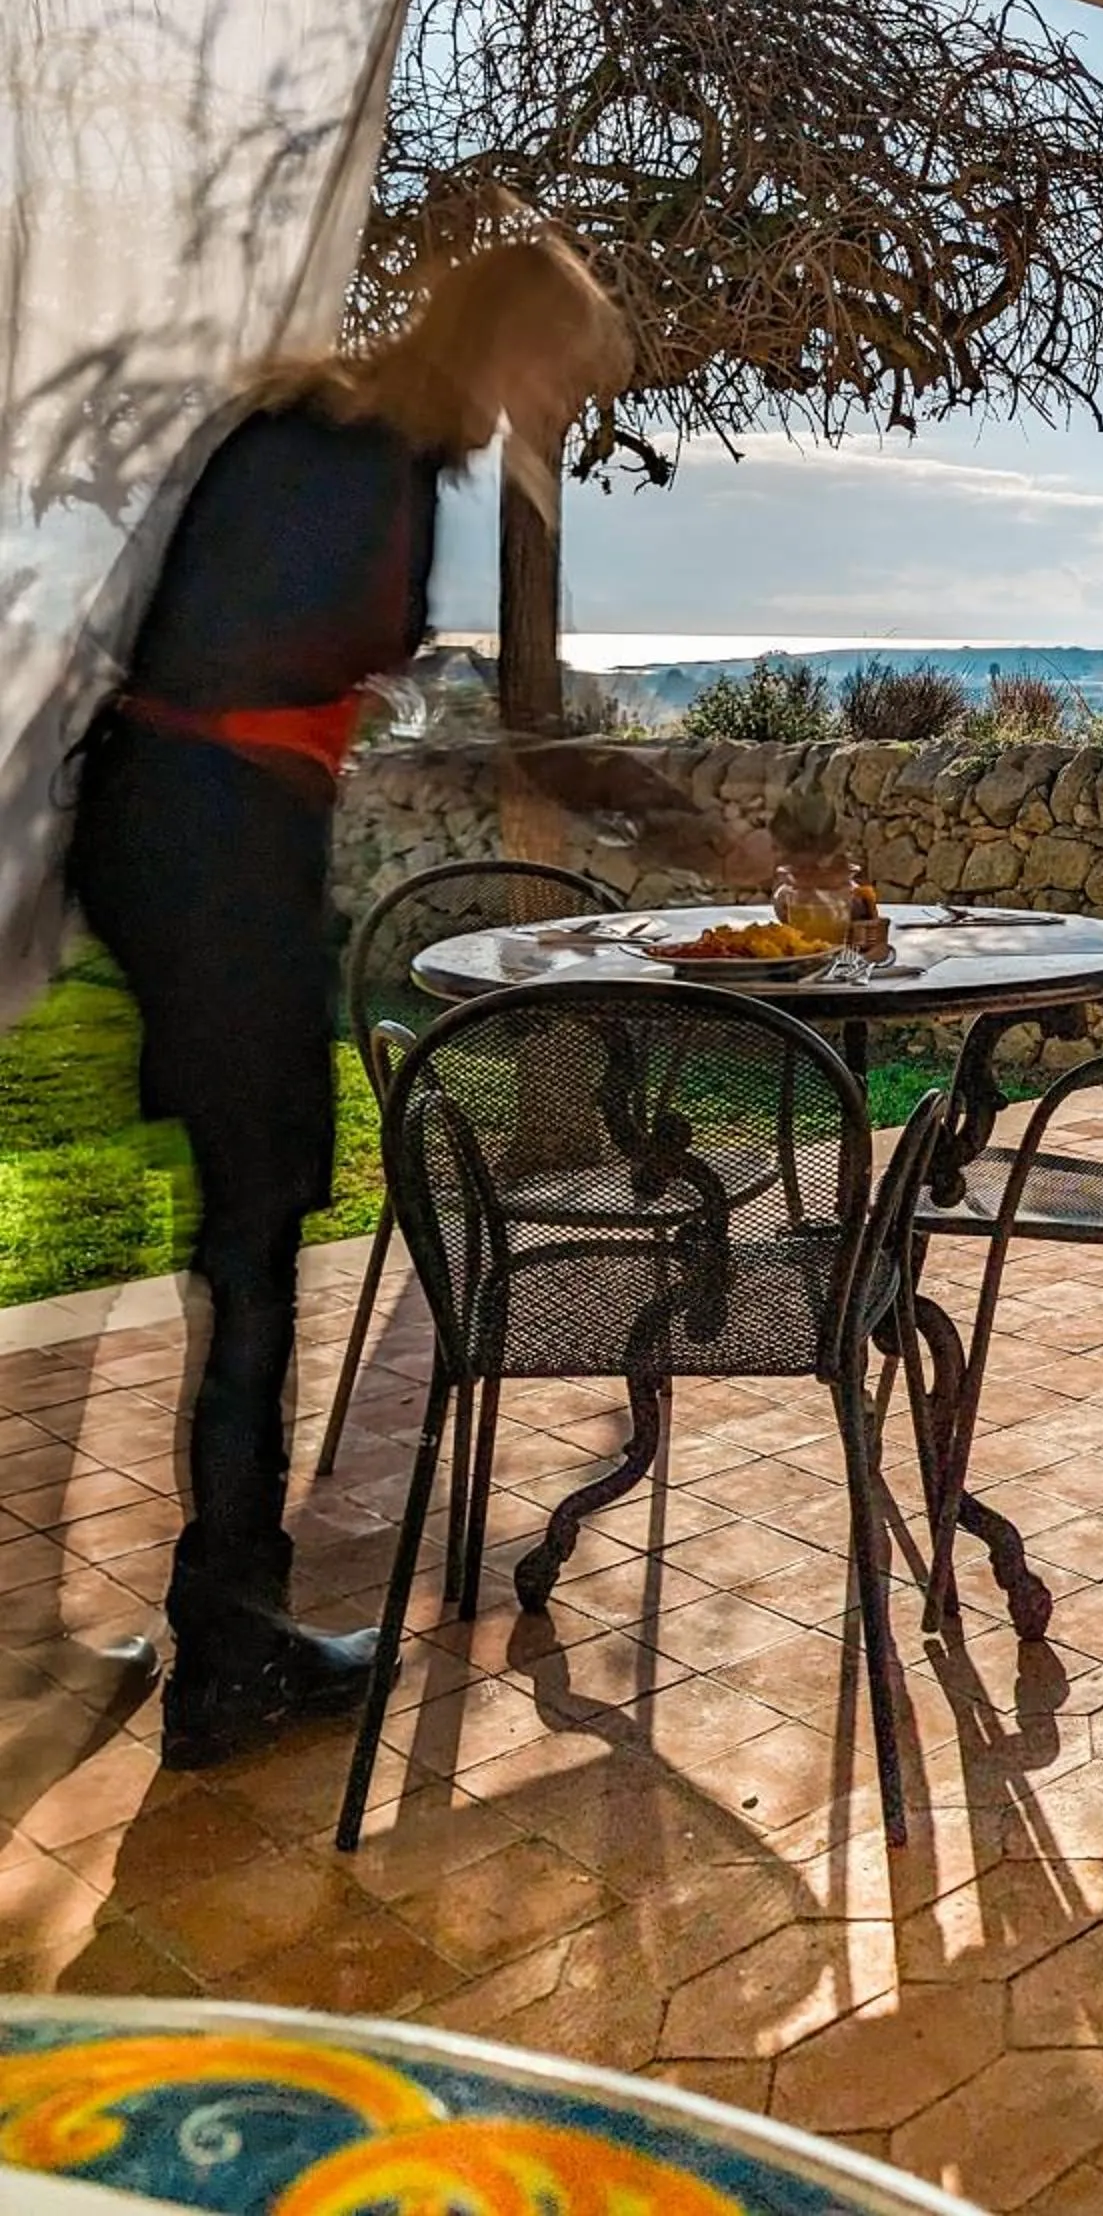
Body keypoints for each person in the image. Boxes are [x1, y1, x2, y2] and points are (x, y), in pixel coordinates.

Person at [67, 234, 772, 1769]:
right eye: (558, 379)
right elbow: (236, 644)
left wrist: (629, 795)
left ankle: (227, 1628)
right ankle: (226, 1654)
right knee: (257, 1244)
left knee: (253, 1229)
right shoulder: (343, 449)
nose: (559, 414)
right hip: (204, 840)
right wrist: (419, 679)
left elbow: (435, 698)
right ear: (502, 343)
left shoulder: (362, 449)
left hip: (202, 835)